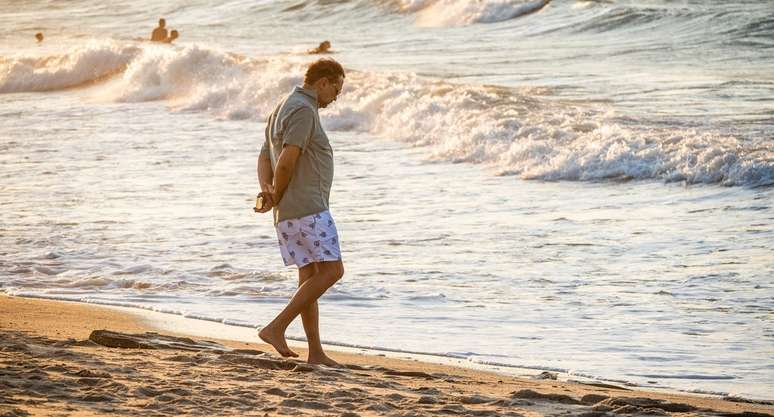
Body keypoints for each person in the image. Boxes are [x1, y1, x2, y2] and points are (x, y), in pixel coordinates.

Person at [255, 58, 346, 367]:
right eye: (337, 88)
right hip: (309, 207)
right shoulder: (304, 111)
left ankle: (315, 352)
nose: (336, 97)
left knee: (309, 277)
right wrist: (276, 192)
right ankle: (276, 327)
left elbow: (264, 157)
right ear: (322, 82)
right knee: (333, 271)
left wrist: (268, 191)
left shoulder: (281, 106)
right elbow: (286, 161)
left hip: (288, 210)